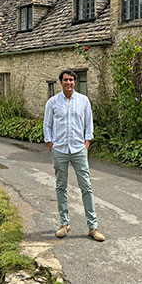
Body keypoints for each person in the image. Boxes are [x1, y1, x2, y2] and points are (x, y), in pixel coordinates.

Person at [43, 69, 105, 242]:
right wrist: (50, 144)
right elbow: (47, 124)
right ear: (60, 82)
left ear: (74, 82)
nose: (68, 83)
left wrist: (86, 143)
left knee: (86, 187)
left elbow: (88, 124)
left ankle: (93, 227)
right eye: (65, 80)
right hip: (60, 150)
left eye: (71, 80)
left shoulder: (83, 101)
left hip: (78, 149)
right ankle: (64, 224)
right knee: (61, 187)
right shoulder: (53, 102)